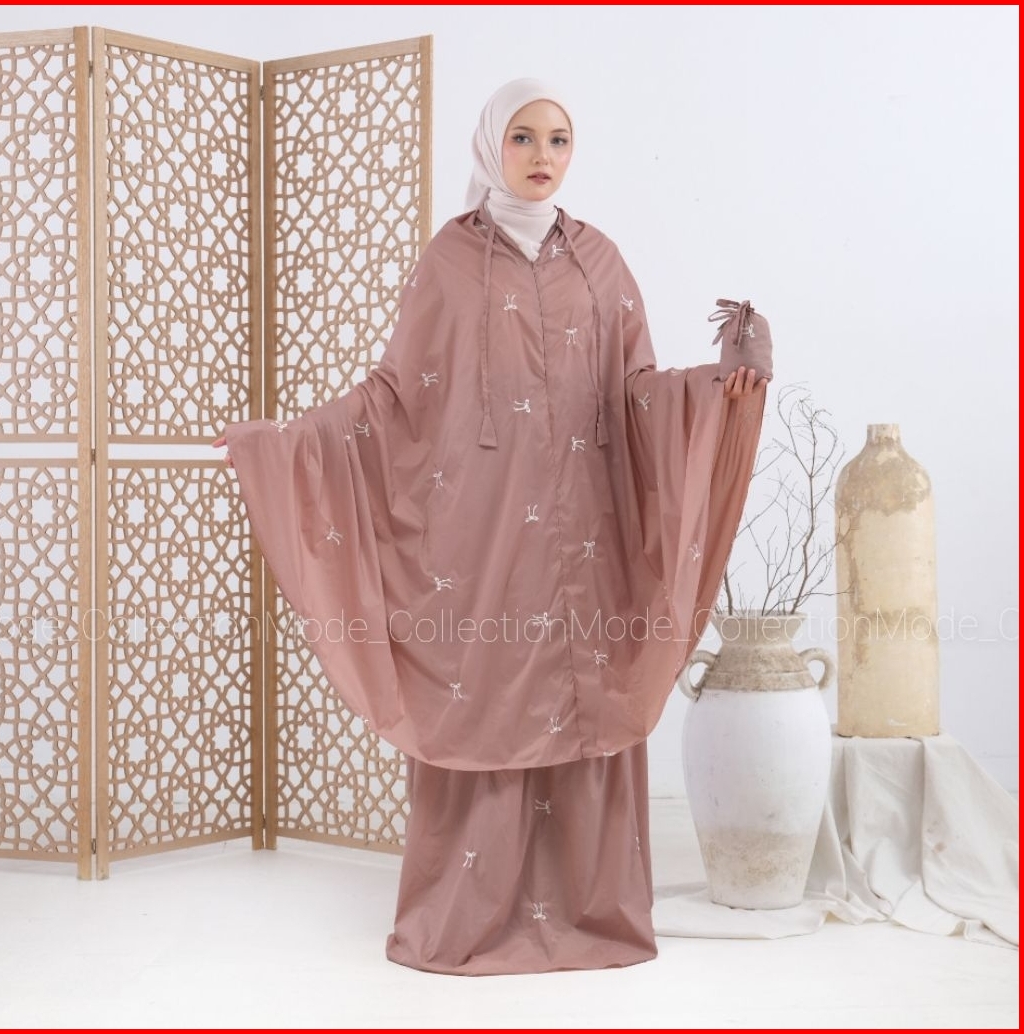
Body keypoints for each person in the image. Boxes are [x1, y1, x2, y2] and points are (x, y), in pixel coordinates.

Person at [214, 78, 768, 975]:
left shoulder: (601, 262)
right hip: (481, 536)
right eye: (523, 137)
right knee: (487, 692)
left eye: (558, 139)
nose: (543, 156)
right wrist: (286, 441)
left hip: (587, 531)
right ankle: (467, 921)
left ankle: (592, 913)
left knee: (586, 691)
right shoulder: (448, 261)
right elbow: (392, 397)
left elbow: (638, 394)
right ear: (489, 146)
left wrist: (719, 384)